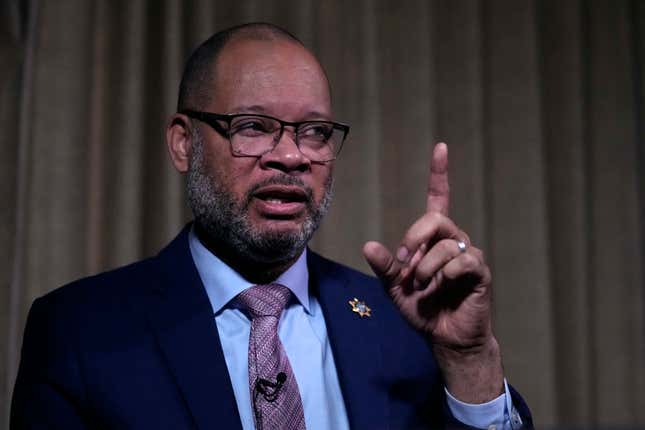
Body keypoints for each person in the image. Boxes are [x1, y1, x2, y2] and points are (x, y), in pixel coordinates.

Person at [11, 23, 533, 429]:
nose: (290, 156)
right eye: (254, 127)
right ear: (184, 143)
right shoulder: (80, 332)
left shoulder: (405, 323)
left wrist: (470, 360)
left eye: (314, 132)